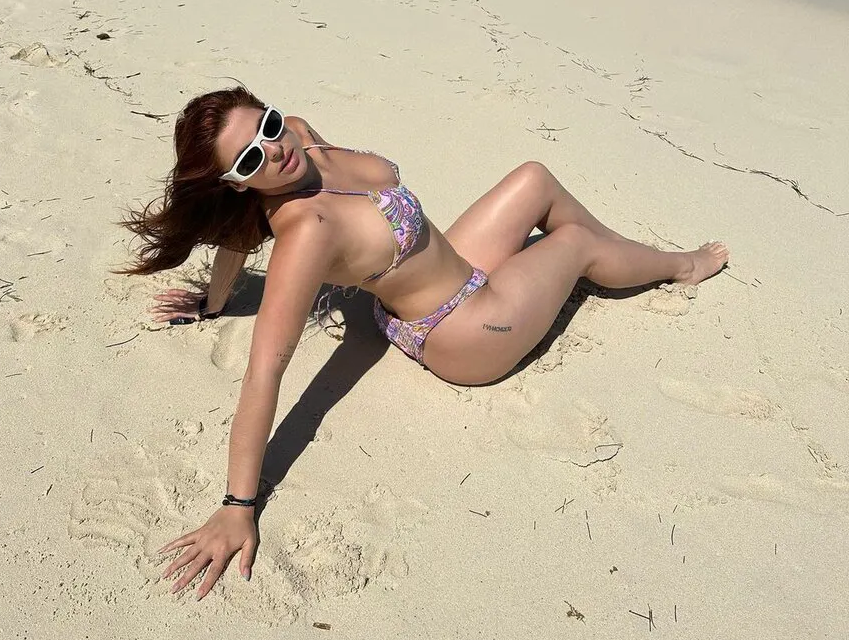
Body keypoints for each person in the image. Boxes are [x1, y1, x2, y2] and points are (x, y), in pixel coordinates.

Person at [126, 87, 728, 599]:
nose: (275, 149)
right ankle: (678, 266)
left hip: (459, 270)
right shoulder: (305, 232)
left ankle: (618, 253)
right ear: (237, 183)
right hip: (462, 331)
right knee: (572, 245)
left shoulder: (299, 138)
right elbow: (265, 371)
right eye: (252, 158)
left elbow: (236, 236)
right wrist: (237, 505)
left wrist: (215, 303)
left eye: (268, 126)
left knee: (534, 179)